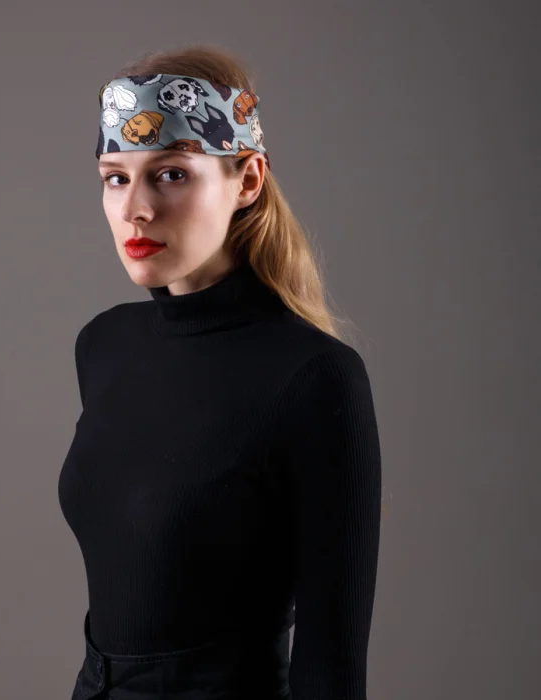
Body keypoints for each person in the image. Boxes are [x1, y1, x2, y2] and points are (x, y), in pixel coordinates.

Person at [58, 44, 382, 700]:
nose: (136, 208)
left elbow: (332, 664)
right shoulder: (104, 346)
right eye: (115, 177)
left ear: (249, 180)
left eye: (172, 174)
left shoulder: (314, 377)